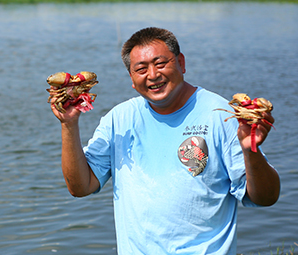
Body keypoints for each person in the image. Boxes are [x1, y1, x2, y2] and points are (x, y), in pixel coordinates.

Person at [50, 27, 280, 255]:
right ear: (131, 78)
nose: (152, 75)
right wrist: (69, 125)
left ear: (181, 62)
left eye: (160, 63)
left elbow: (265, 198)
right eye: (140, 68)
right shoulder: (119, 119)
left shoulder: (221, 115)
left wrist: (251, 151)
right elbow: (80, 187)